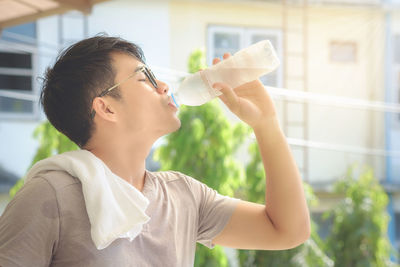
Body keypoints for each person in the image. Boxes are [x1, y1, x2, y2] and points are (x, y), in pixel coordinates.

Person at [0, 35, 310, 266]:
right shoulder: (50, 196)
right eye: (144, 78)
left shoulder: (183, 195)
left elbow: (286, 230)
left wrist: (266, 124)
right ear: (106, 108)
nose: (163, 85)